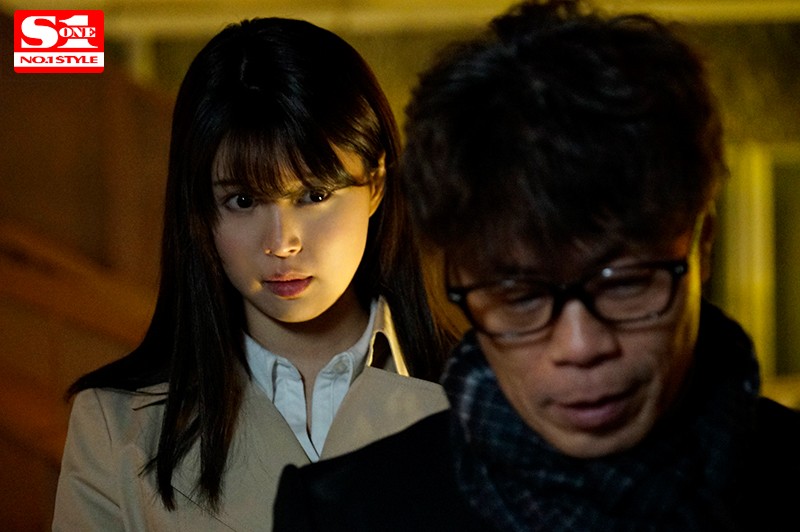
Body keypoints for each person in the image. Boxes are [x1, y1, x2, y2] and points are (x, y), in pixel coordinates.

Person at [272, 1, 800, 530]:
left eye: (624, 284)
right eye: (521, 296)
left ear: (702, 247)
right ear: (459, 285)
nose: (580, 346)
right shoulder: (343, 514)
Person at [52, 17, 457, 531]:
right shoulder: (115, 426)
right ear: (201, 209)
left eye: (314, 195)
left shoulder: (490, 402)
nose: (282, 242)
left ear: (375, 184)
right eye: (243, 201)